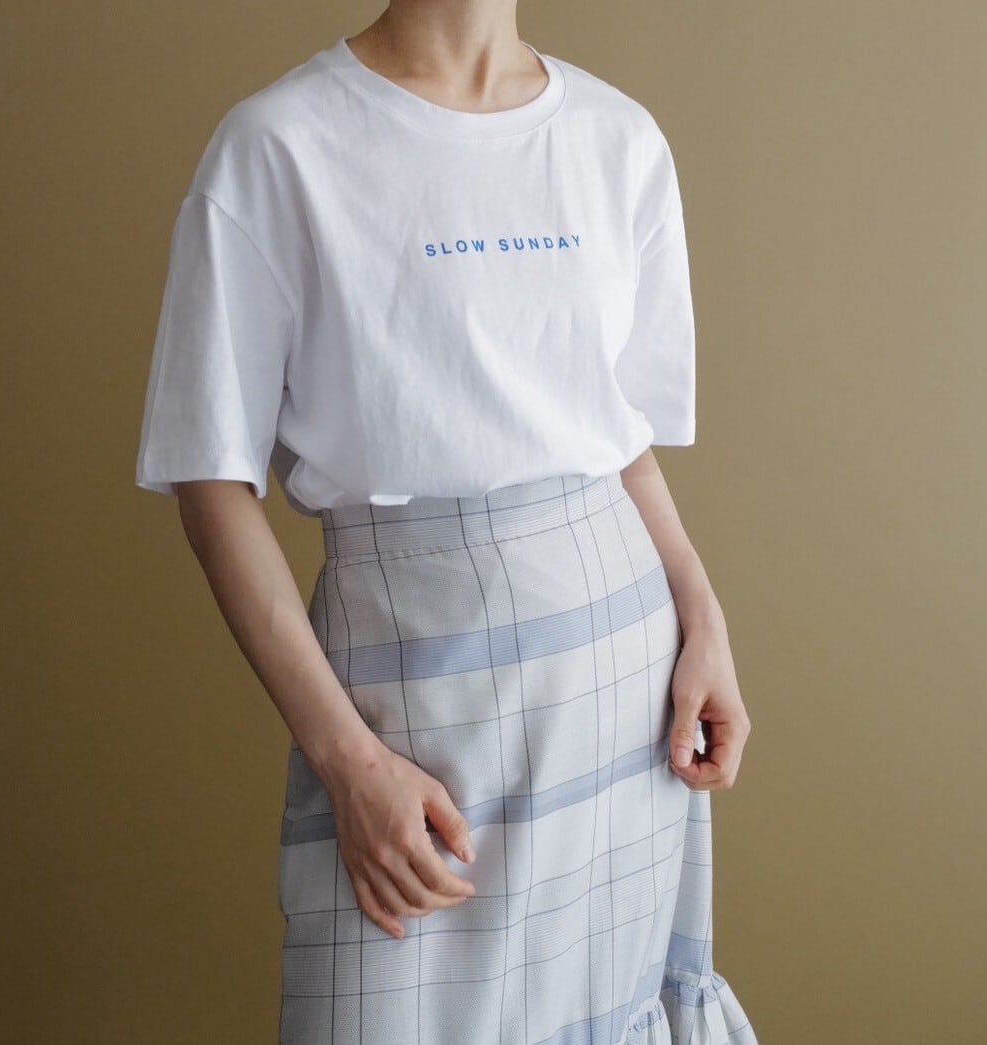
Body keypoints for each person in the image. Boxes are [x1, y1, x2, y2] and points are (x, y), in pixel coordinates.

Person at [134, 2, 757, 1042]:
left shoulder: (616, 136)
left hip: (625, 685)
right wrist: (348, 761)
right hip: (412, 705)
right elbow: (210, 482)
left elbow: (615, 440)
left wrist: (704, 618)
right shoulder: (278, 145)